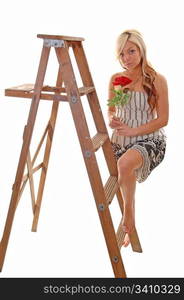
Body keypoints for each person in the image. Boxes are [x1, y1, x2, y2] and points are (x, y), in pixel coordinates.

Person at [107, 29, 169, 247]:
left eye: (131, 51)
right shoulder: (117, 79)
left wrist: (134, 131)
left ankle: (129, 213)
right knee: (123, 170)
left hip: (150, 139)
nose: (127, 58)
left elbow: (163, 119)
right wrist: (113, 119)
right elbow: (112, 110)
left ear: (141, 50)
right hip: (121, 140)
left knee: (125, 163)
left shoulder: (156, 80)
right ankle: (128, 226)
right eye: (122, 54)